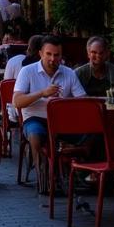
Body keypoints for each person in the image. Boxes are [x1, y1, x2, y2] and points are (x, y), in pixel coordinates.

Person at [13, 34, 86, 171]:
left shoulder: (69, 73)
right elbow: (17, 101)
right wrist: (42, 93)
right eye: (49, 54)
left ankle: (77, 171)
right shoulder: (27, 71)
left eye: (57, 55)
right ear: (40, 53)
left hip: (63, 120)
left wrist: (63, 103)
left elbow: (82, 101)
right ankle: (44, 174)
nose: (53, 59)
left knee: (94, 133)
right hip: (35, 119)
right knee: (36, 135)